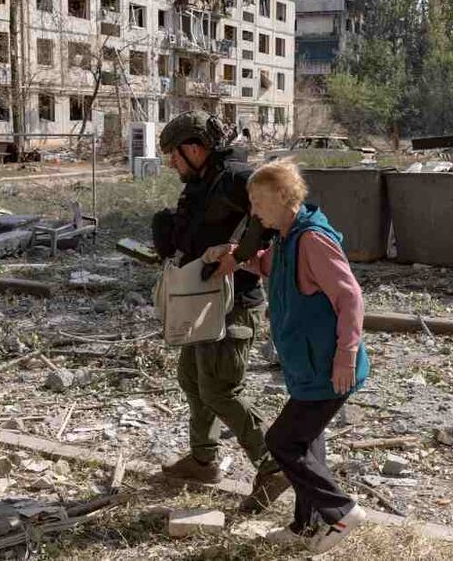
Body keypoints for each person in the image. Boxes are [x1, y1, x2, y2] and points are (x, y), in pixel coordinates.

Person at [204, 158, 371, 553]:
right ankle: (303, 526)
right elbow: (273, 269)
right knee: (308, 443)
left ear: (283, 196)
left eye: (259, 202)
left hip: (330, 367)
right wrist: (234, 254)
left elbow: (350, 298)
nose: (254, 211)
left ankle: (342, 512)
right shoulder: (285, 238)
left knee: (282, 442)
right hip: (308, 366)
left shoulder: (312, 239)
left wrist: (346, 356)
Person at [151, 111, 290, 514]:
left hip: (234, 305)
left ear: (194, 148)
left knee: (220, 389)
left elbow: (277, 208)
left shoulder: (234, 177)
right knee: (193, 378)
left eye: (174, 156)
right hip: (200, 301)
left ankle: (274, 464)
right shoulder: (201, 183)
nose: (172, 165)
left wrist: (242, 254)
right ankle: (202, 461)